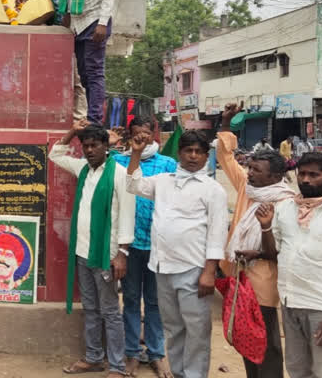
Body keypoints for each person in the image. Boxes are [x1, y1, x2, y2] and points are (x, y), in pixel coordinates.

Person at [126, 130, 229, 378]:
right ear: (179, 153)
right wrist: (136, 153)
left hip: (194, 270)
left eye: (198, 152)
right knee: (173, 328)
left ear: (206, 156)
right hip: (162, 267)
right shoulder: (164, 180)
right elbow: (132, 184)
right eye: (188, 151)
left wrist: (209, 271)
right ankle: (181, 373)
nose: (193, 156)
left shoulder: (213, 190)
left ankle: (194, 375)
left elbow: (217, 233)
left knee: (197, 330)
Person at [255, 152, 322, 378]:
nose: (305, 180)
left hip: (321, 306)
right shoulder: (284, 209)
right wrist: (265, 227)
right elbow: (274, 253)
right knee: (297, 369)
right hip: (290, 301)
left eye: (314, 175)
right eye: (302, 173)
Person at [49, 122, 135, 377]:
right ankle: (94, 357)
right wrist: (74, 132)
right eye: (85, 146)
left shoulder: (120, 173)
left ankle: (117, 366)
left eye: (94, 145)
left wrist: (122, 253)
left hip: (106, 255)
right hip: (83, 252)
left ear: (105, 146)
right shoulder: (83, 169)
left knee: (110, 310)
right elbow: (55, 154)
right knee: (90, 307)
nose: (88, 150)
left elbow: (127, 215)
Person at [217, 103, 296, 378]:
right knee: (245, 338)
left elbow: (285, 248)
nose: (248, 172)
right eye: (249, 168)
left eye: (255, 169)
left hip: (266, 282)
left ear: (275, 177)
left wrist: (259, 250)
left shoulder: (286, 203)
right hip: (241, 277)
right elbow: (226, 156)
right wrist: (226, 122)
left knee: (267, 341)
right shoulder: (247, 189)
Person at [18, 0, 116, 125]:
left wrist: (102, 23)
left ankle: (95, 121)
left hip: (95, 21)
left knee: (94, 71)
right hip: (77, 25)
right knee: (83, 73)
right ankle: (91, 116)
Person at [111, 116, 177, 378]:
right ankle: (131, 353)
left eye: (146, 133)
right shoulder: (118, 162)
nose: (142, 137)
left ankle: (157, 354)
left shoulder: (168, 164)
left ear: (153, 134)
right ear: (129, 135)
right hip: (128, 244)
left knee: (154, 302)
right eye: (136, 133)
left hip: (158, 244)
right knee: (129, 300)